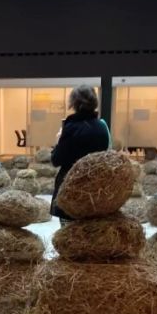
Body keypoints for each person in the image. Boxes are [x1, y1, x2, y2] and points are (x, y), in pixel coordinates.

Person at [50, 85, 110, 224]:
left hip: (70, 189)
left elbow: (56, 160)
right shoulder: (101, 126)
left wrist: (58, 142)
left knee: (69, 237)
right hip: (95, 189)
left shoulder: (72, 127)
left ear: (74, 103)